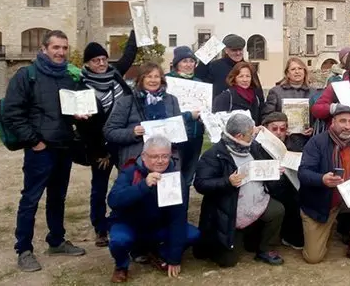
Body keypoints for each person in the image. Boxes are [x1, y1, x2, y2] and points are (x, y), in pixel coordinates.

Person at [1, 30, 87, 272]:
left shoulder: (70, 76)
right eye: (55, 47)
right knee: (31, 199)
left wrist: (80, 116)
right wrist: (34, 141)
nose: (60, 52)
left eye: (64, 48)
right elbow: (12, 113)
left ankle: (57, 240)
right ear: (44, 49)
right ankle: (24, 249)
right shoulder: (26, 76)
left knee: (58, 198)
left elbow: (74, 110)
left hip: (63, 147)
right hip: (40, 150)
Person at [194, 113, 286, 267]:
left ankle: (264, 248)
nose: (253, 135)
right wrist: (227, 181)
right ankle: (237, 235)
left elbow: (262, 166)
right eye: (251, 133)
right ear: (239, 135)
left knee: (277, 210)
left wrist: (274, 171)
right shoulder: (214, 155)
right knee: (227, 262)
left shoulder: (253, 147)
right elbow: (200, 184)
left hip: (257, 199)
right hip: (229, 209)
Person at [107, 136, 200, 282]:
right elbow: (114, 200)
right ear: (144, 156)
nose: (160, 160)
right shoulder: (130, 172)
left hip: (158, 227)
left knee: (193, 234)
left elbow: (178, 217)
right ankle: (121, 266)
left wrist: (174, 258)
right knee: (119, 240)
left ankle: (159, 252)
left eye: (165, 156)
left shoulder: (175, 178)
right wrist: (143, 186)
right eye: (154, 156)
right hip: (129, 224)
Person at [297, 105, 350, 264]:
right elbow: (303, 172)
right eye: (342, 121)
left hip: (347, 198)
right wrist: (322, 179)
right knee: (313, 258)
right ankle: (325, 227)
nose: (347, 126)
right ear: (332, 122)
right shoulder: (316, 142)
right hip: (320, 203)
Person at [78, 30, 138, 248]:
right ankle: (100, 228)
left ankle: (125, 221)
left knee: (128, 184)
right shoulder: (81, 87)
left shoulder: (115, 74)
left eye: (104, 59)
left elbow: (129, 54)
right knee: (100, 187)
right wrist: (98, 152)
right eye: (96, 60)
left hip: (124, 142)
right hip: (101, 148)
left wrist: (136, 27)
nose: (102, 63)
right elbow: (84, 126)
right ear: (88, 63)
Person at [103, 63, 197, 170]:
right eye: (148, 76)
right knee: (139, 187)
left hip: (167, 161)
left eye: (156, 76)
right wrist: (132, 133)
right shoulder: (126, 102)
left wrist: (178, 131)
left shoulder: (171, 100)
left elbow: (183, 128)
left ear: (161, 79)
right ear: (141, 79)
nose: (153, 80)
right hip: (136, 162)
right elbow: (109, 131)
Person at [253, 112, 309, 248]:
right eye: (274, 128)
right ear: (265, 129)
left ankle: (293, 235)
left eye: (282, 129)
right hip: (267, 185)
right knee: (290, 198)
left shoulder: (293, 142)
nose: (279, 132)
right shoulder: (257, 145)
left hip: (292, 182)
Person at [163, 46, 206, 192]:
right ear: (177, 64)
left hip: (195, 136)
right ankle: (170, 212)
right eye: (184, 61)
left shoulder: (199, 82)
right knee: (172, 176)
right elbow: (166, 113)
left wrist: (205, 117)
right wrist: (189, 116)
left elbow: (204, 107)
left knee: (188, 177)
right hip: (175, 138)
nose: (188, 64)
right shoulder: (168, 81)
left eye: (191, 61)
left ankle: (183, 212)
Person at [195, 34, 265, 102]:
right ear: (226, 50)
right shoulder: (215, 66)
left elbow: (258, 93)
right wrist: (205, 55)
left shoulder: (249, 68)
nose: (238, 53)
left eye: (240, 50)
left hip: (246, 109)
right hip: (221, 109)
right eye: (234, 50)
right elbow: (199, 80)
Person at [262, 57, 313, 124]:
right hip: (281, 133)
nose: (297, 72)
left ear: (305, 71)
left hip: (309, 134)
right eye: (293, 69)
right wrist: (280, 128)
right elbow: (267, 117)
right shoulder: (275, 92)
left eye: (300, 68)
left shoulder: (314, 92)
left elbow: (318, 118)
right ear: (287, 73)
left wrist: (312, 128)